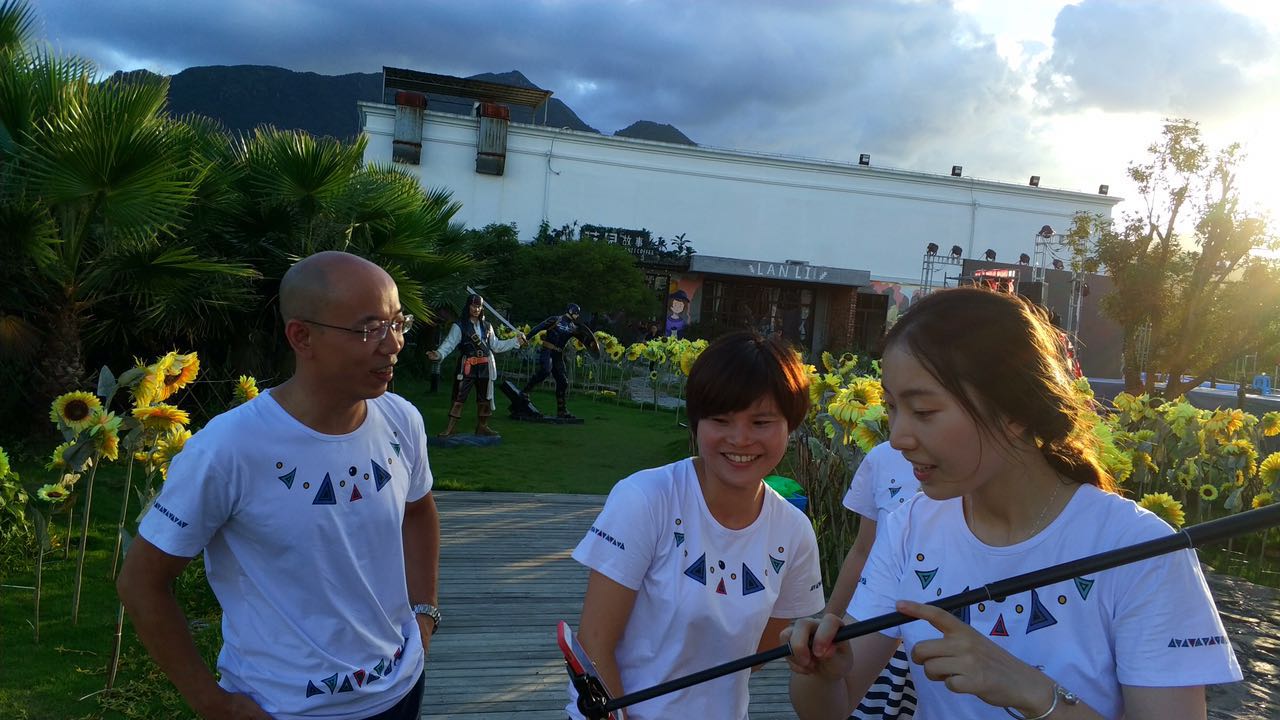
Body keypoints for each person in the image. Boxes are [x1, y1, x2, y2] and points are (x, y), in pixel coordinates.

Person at [784, 287, 1241, 720]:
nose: (899, 437)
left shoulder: (1142, 550)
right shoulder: (910, 527)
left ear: (1016, 411)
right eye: (892, 408)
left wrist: (1033, 693)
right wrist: (819, 670)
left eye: (923, 411)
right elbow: (831, 708)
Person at [118, 251, 442, 720]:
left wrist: (425, 612)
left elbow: (419, 512)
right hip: (285, 708)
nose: (393, 345)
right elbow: (141, 582)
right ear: (301, 336)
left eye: (397, 323)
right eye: (369, 328)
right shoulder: (228, 448)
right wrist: (213, 703)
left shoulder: (401, 420)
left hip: (401, 689)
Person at [569, 331, 825, 719]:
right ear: (696, 423)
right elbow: (594, 643)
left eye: (761, 422)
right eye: (721, 420)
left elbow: (757, 655)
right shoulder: (646, 499)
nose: (740, 439)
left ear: (790, 425)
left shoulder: (794, 532)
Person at [824, 442, 920, 719]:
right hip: (878, 637)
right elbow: (863, 550)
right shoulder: (882, 458)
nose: (901, 434)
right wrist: (827, 626)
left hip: (941, 648)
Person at [426, 293, 525, 437]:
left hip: (485, 366)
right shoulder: (459, 326)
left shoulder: (487, 326)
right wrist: (439, 354)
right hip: (467, 366)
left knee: (484, 399)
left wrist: (515, 341)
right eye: (474, 306)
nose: (476, 309)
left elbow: (496, 346)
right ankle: (451, 428)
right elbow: (449, 343)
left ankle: (482, 427)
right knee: (459, 397)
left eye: (479, 306)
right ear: (468, 306)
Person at [521, 302, 596, 420]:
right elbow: (539, 328)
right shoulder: (555, 320)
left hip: (558, 355)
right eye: (576, 313)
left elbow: (586, 340)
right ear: (571, 311)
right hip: (547, 351)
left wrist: (592, 347)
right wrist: (527, 337)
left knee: (563, 381)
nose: (578, 315)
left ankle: (562, 411)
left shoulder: (573, 327)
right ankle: (525, 392)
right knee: (545, 370)